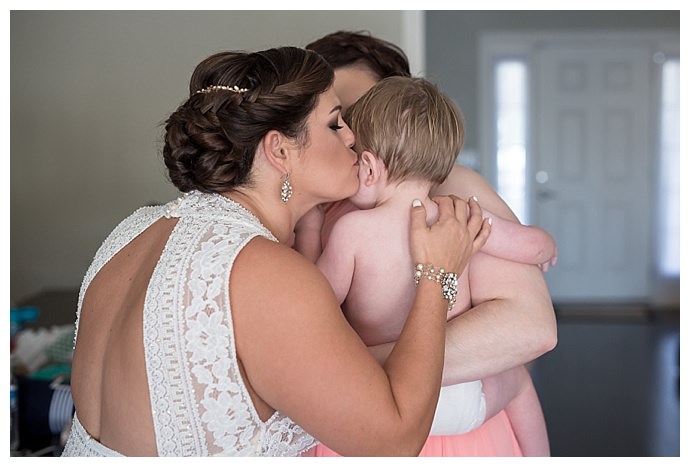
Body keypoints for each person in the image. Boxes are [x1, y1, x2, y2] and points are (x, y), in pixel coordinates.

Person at [60, 47, 491, 456]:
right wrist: (437, 274)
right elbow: (394, 441)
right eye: (334, 123)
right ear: (280, 150)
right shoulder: (266, 272)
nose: (353, 138)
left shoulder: (134, 229)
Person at [305, 30, 557, 456]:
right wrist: (544, 244)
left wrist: (358, 364)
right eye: (334, 122)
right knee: (517, 385)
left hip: (369, 403)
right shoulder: (451, 210)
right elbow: (528, 245)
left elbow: (534, 329)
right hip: (441, 400)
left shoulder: (449, 193)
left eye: (358, 117)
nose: (348, 138)